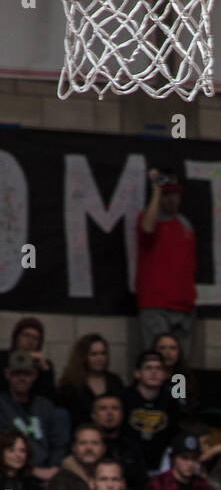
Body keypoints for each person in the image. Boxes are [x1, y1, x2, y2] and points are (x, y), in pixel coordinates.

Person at [136, 168, 197, 356]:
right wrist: (156, 191)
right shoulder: (148, 220)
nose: (171, 199)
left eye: (175, 195)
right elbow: (147, 229)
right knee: (156, 359)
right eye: (167, 195)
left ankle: (177, 388)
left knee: (180, 363)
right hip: (157, 303)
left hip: (184, 305)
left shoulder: (185, 224)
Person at [0, 353, 69, 471]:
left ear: (35, 375)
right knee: (9, 489)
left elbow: (58, 443)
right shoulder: (2, 406)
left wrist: (54, 468)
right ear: (7, 374)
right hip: (12, 475)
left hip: (48, 474)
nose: (21, 378)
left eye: (26, 374)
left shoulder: (45, 406)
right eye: (16, 374)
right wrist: (32, 471)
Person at [122, 351, 180, 473]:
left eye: (158, 368)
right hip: (128, 465)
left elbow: (175, 435)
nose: (154, 372)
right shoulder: (124, 398)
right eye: (148, 368)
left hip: (161, 465)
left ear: (165, 374)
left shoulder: (172, 402)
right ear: (137, 373)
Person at [57, 334, 126, 427]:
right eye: (94, 354)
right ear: (83, 357)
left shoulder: (115, 381)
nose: (100, 358)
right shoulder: (71, 385)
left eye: (103, 353)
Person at [89, 394, 148, 490]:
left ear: (122, 414)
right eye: (103, 409)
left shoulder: (132, 447)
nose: (109, 413)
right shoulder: (85, 446)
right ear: (93, 415)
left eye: (115, 408)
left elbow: (141, 484)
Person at [0, 318, 56, 400]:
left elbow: (49, 398)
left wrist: (44, 369)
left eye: (35, 338)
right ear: (16, 337)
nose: (30, 341)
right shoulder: (2, 357)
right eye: (26, 335)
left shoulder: (43, 363)